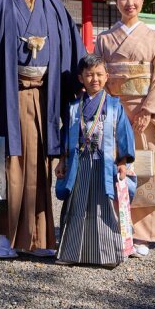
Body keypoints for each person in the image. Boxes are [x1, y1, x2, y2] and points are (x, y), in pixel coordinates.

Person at [0, 0, 84, 259]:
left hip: (45, 97)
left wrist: (79, 92)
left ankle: (38, 237)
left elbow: (74, 54)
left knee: (40, 167)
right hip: (10, 96)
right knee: (10, 165)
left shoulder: (56, 8)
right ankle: (6, 236)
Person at [95, 0, 155, 257]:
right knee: (116, 170)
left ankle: (142, 234)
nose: (129, 3)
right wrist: (111, 111)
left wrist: (149, 109)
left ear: (142, 0)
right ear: (115, 1)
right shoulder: (104, 39)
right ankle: (116, 229)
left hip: (146, 112)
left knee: (144, 171)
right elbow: (97, 77)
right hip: (116, 110)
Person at [55, 54, 135, 267]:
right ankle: (71, 253)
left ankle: (108, 255)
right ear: (81, 78)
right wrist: (62, 159)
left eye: (99, 74)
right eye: (89, 75)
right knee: (76, 205)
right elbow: (65, 136)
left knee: (104, 206)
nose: (95, 79)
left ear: (107, 76)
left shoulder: (114, 105)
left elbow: (124, 134)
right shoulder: (74, 107)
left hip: (104, 163)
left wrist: (122, 162)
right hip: (79, 162)